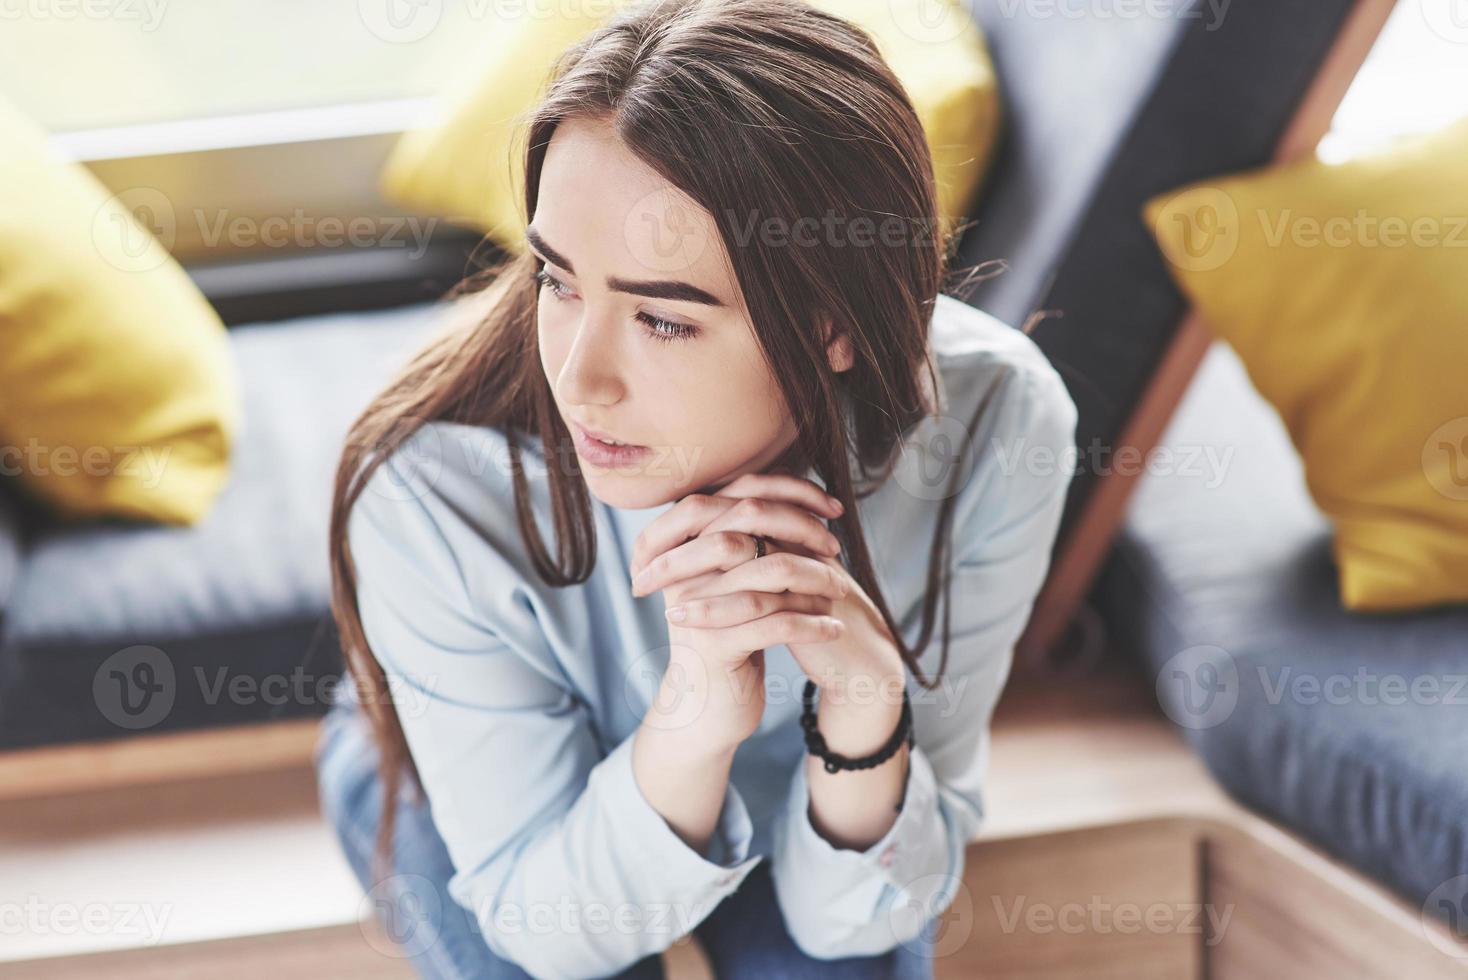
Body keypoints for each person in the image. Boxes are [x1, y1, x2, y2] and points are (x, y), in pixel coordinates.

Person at [314, 0, 1079, 976]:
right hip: (472, 776)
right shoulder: (431, 488)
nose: (580, 378)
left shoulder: (996, 423)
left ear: (832, 325)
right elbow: (550, 929)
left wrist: (863, 700)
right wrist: (692, 716)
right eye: (556, 279)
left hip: (793, 788)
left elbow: (856, 917)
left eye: (662, 319)